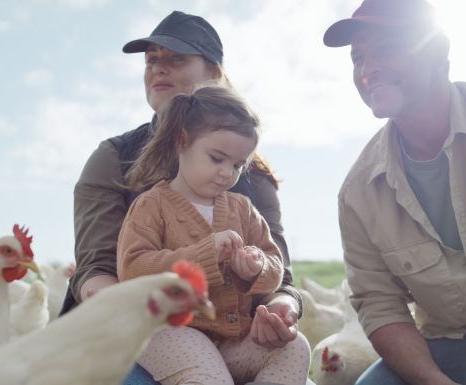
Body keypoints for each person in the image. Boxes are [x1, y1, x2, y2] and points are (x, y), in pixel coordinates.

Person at [323, 0, 466, 384]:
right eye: (358, 58)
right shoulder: (357, 195)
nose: (367, 71)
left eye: (385, 50)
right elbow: (380, 306)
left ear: (436, 50)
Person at [61, 11, 305, 384]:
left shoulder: (253, 176)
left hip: (233, 333)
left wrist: (277, 311)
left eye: (176, 58)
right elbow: (100, 268)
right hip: (136, 330)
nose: (159, 68)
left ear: (214, 73)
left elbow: (280, 273)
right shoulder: (113, 158)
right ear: (182, 144)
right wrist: (140, 317)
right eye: (152, 60)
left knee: (293, 351)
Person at [117, 85, 310, 385]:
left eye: (237, 165)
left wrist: (257, 266)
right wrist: (204, 255)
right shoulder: (151, 205)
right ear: (183, 142)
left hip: (232, 341)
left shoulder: (243, 208)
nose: (227, 173)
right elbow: (133, 270)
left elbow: (275, 263)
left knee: (294, 347)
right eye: (217, 158)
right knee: (207, 376)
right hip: (169, 333)